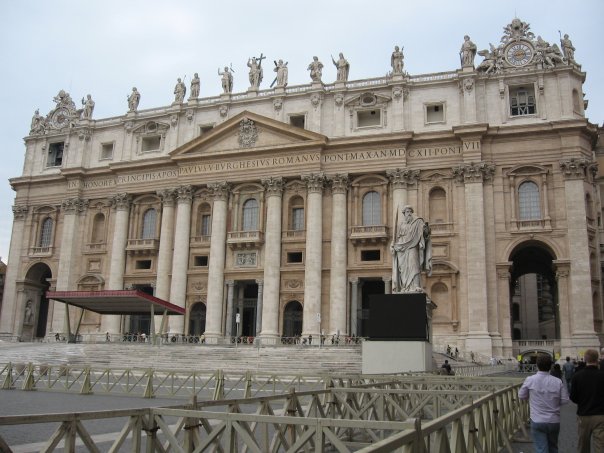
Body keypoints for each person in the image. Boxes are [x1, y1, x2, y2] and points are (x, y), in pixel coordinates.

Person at [519, 354, 569, 453]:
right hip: (554, 420)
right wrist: (554, 403)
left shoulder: (530, 379)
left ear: (537, 365)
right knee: (553, 448)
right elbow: (565, 400)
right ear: (551, 366)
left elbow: (521, 395)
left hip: (537, 419)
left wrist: (531, 397)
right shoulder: (558, 381)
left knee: (541, 449)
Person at [391, 205, 432, 293]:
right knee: (403, 269)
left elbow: (425, 234)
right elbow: (397, 238)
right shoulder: (401, 225)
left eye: (410, 212)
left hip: (413, 247)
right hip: (402, 249)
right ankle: (405, 287)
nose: (409, 213)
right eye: (407, 212)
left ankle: (416, 286)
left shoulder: (418, 222)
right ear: (404, 214)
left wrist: (426, 230)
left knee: (414, 265)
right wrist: (393, 246)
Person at [570, 348, 604, 452]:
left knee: (583, 446)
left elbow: (573, 397)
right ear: (597, 359)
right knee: (601, 446)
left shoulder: (577, 376)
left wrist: (582, 401)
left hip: (583, 415)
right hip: (601, 415)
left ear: (585, 359)